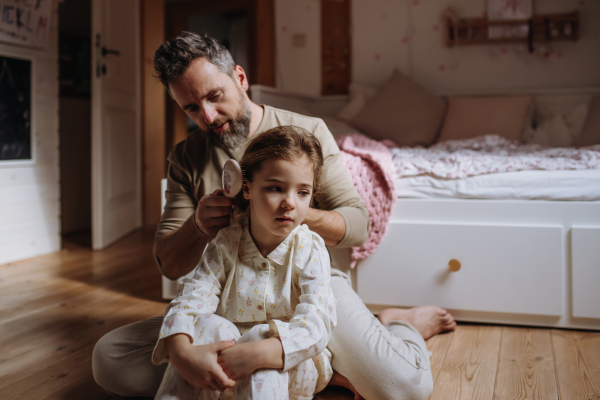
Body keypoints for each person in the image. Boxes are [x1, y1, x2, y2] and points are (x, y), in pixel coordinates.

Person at [92, 32, 456, 400]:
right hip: (229, 293)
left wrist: (290, 210)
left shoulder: (308, 132)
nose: (207, 115)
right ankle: (303, 365)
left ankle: (397, 325)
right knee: (110, 359)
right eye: (190, 108)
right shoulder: (186, 158)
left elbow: (358, 224)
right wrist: (199, 225)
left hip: (307, 284)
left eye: (214, 96)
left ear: (240, 77)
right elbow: (168, 264)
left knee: (404, 385)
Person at [152, 126, 337, 400]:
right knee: (204, 326)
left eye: (302, 192)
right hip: (225, 357)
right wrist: (181, 351)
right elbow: (191, 297)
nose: (289, 203)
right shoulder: (225, 242)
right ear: (247, 188)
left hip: (289, 363)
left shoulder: (311, 249)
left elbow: (317, 322)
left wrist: (256, 353)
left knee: (262, 337)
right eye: (276, 188)